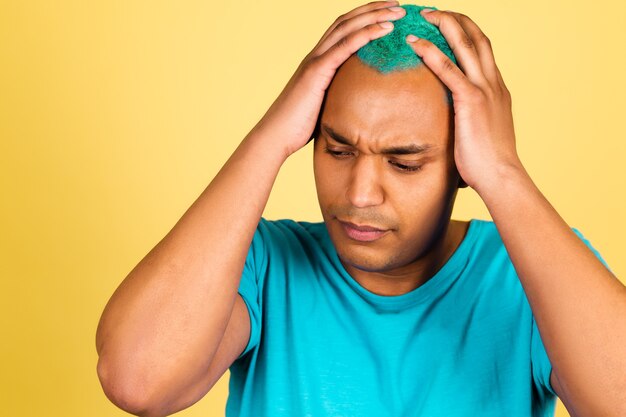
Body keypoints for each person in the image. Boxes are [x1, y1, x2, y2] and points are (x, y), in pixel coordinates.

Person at [95, 2, 625, 417]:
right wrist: (269, 138)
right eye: (338, 150)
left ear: (466, 164)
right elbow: (139, 381)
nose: (359, 195)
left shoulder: (526, 274)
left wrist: (505, 174)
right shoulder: (259, 264)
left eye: (405, 163)